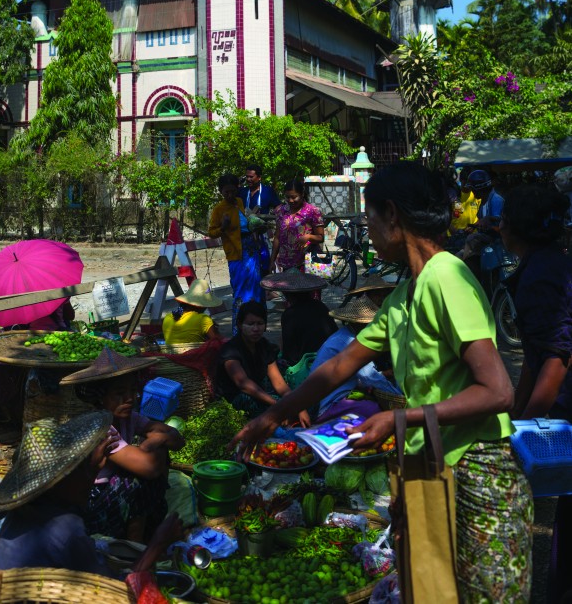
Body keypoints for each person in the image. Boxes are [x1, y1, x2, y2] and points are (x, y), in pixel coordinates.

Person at [233, 162, 532, 603]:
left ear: (392, 214)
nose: (367, 229)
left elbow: (497, 391)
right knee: (437, 589)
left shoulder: (445, 276)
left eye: (369, 216)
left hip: (477, 469)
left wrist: (401, 419)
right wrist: (273, 415)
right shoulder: (407, 292)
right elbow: (339, 367)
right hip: (436, 461)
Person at [0, 410, 183, 576]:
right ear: (60, 481)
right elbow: (114, 591)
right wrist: (157, 544)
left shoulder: (23, 513)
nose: (90, 481)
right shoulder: (65, 527)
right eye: (81, 470)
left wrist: (92, 470)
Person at [500, 185, 572, 603]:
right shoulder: (545, 263)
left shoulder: (542, 275)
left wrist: (526, 428)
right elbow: (534, 354)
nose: (498, 228)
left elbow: (556, 359)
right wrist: (516, 408)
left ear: (518, 228)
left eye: (504, 221)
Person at [59, 348, 184, 542]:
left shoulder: (128, 418)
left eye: (133, 391)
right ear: (101, 397)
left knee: (156, 460)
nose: (129, 399)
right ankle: (134, 547)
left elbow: (176, 438)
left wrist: (156, 442)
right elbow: (149, 468)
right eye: (120, 393)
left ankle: (146, 533)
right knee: (137, 479)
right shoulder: (99, 428)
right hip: (90, 505)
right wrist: (156, 444)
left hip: (110, 496)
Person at [312, 276, 401, 416]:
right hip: (332, 403)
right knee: (374, 410)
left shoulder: (347, 335)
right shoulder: (348, 341)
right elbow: (371, 378)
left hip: (338, 393)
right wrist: (400, 399)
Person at [215, 301, 309, 425]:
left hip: (260, 393)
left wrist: (296, 406)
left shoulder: (265, 346)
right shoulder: (230, 350)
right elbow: (243, 384)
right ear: (239, 324)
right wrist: (278, 405)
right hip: (238, 398)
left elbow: (279, 383)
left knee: (304, 403)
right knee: (265, 410)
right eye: (250, 324)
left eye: (260, 324)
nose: (256, 329)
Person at [208, 172, 264, 332]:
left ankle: (255, 328)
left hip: (251, 250)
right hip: (236, 253)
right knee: (240, 290)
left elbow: (245, 223)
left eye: (233, 191)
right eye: (226, 192)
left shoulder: (239, 202)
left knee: (255, 288)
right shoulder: (219, 209)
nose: (230, 195)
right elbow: (211, 232)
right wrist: (223, 227)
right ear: (221, 191)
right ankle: (238, 331)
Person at [260, 268, 336, 366]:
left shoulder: (290, 314)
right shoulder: (320, 306)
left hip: (308, 363)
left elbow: (290, 354)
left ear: (287, 294)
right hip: (330, 358)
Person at [270, 179, 325, 273]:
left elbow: (320, 237)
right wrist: (272, 261)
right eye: (287, 197)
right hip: (285, 264)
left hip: (307, 263)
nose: (291, 201)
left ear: (302, 194)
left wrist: (309, 237)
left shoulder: (313, 211)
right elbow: (277, 238)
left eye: (294, 197)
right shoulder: (281, 211)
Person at [239, 163, 281, 274]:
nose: (248, 179)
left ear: (259, 177)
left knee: (264, 265)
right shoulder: (242, 192)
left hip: (263, 236)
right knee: (247, 267)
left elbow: (278, 208)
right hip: (245, 235)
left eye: (251, 177)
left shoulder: (268, 191)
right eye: (247, 176)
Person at [162, 278, 221, 345]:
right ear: (201, 305)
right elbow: (219, 341)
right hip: (195, 355)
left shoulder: (168, 317)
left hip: (171, 354)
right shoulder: (203, 319)